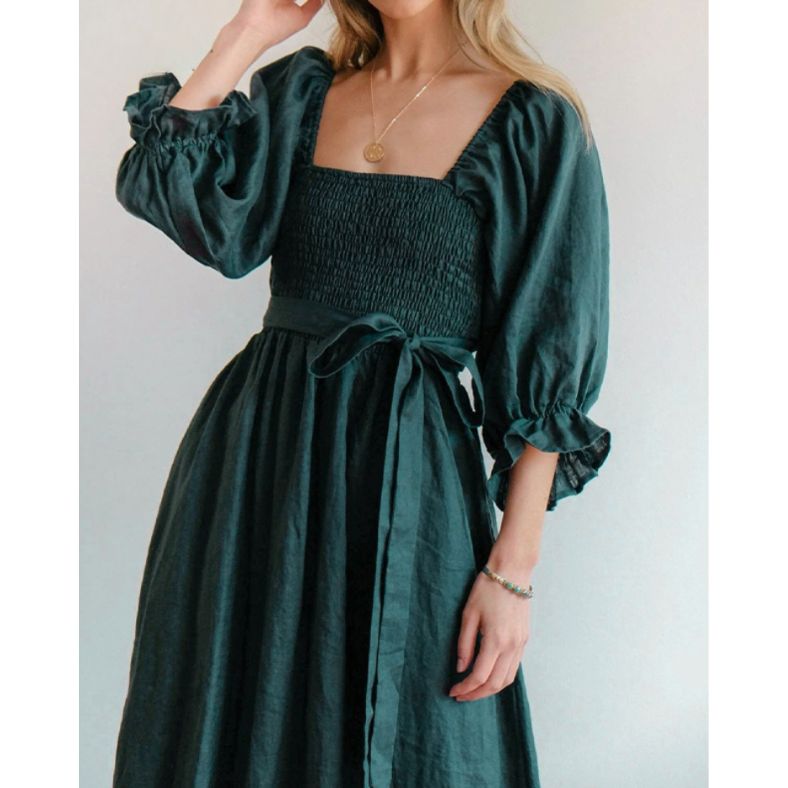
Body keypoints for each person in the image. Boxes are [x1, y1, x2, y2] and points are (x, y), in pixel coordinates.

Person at [111, 0, 612, 785]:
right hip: (258, 462)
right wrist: (248, 33)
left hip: (413, 471)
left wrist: (511, 575)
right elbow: (173, 191)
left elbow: (546, 359)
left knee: (417, 730)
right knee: (237, 717)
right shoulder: (302, 94)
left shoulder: (535, 124)